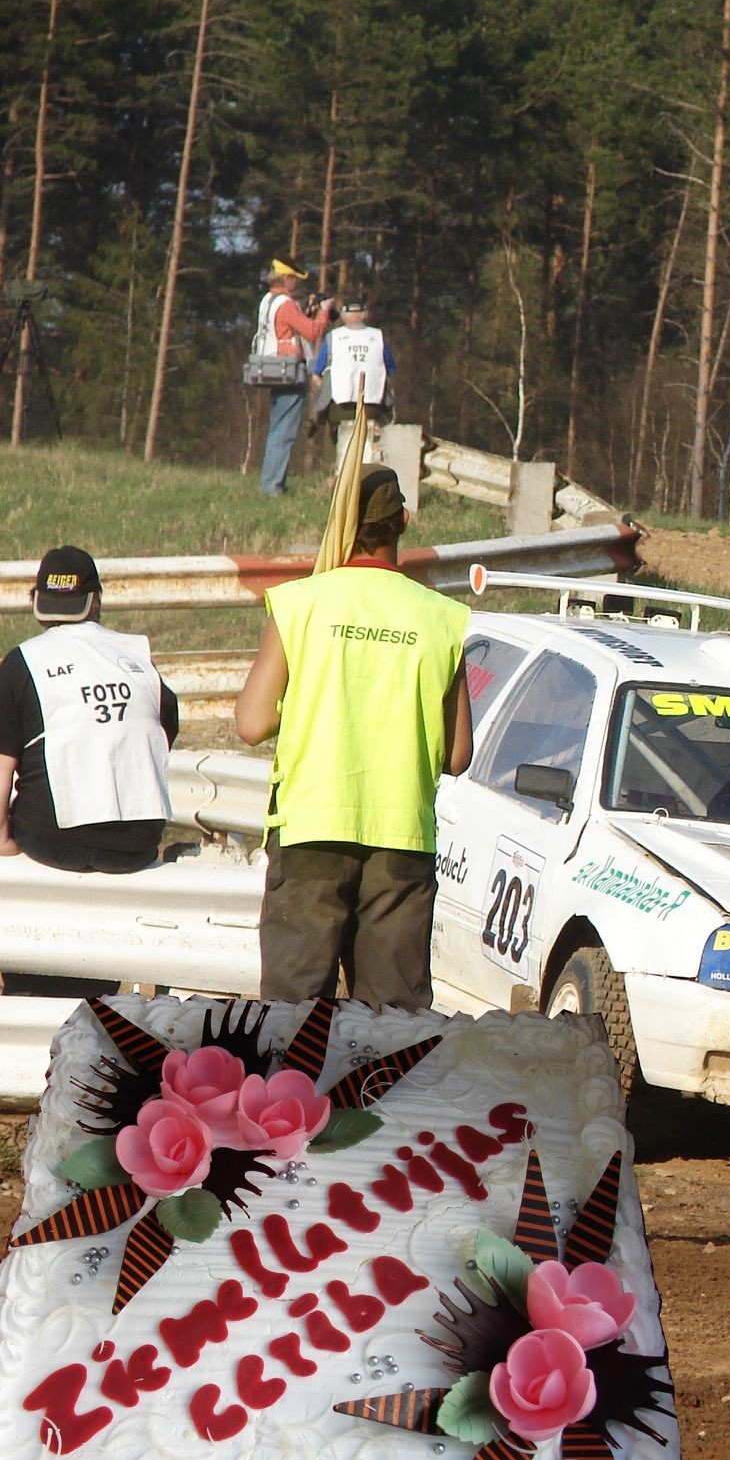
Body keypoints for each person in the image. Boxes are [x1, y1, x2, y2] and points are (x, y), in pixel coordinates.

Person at [234, 465, 472, 1008]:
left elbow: (251, 724)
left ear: (337, 524)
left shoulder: (300, 603)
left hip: (310, 831)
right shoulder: (443, 618)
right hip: (401, 841)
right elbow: (457, 755)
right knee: (389, 1029)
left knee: (292, 1020)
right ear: (403, 522)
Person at [0, 546, 179, 996]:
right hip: (135, 846)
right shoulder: (138, 657)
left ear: (38, 602)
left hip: (52, 841)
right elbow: (160, 732)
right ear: (96, 600)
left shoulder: (24, 662)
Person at [254, 259, 335, 495]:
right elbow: (311, 331)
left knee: (278, 426)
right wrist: (324, 313)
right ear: (287, 278)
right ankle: (272, 486)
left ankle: (271, 483)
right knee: (285, 430)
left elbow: (287, 328)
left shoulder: (268, 301)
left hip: (272, 367)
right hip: (288, 369)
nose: (297, 284)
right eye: (295, 280)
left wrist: (309, 312)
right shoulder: (287, 304)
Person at [307, 299, 396, 436]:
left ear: (343, 315)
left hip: (340, 406)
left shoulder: (333, 337)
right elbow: (390, 370)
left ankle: (334, 454)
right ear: (365, 315)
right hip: (372, 406)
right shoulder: (378, 337)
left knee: (336, 440)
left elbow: (317, 371)